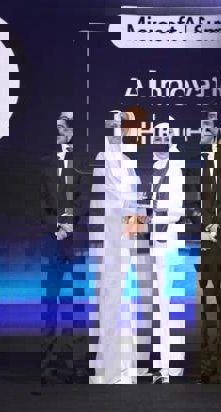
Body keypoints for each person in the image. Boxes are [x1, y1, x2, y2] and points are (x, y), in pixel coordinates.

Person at [89, 111, 142, 384]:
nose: (121, 132)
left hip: (124, 242)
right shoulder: (105, 159)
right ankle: (108, 369)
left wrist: (137, 223)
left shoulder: (127, 163)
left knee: (123, 300)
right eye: (116, 126)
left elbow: (135, 203)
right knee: (110, 299)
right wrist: (131, 216)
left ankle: (123, 367)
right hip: (110, 242)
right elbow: (109, 201)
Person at [40, 112, 87, 383]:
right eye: (57, 127)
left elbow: (85, 198)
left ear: (72, 131)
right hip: (52, 240)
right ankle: (48, 365)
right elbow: (40, 201)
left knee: (75, 302)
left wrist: (68, 223)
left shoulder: (83, 163)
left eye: (65, 127)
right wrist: (55, 226)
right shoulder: (45, 163)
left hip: (76, 240)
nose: (61, 131)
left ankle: (76, 364)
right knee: (50, 302)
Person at [195, 118, 221, 384]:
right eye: (201, 130)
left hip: (219, 243)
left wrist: (215, 225)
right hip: (202, 244)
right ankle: (206, 365)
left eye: (207, 130)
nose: (203, 133)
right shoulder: (196, 167)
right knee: (205, 306)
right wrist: (201, 225)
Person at [147, 122, 187, 382]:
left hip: (168, 244)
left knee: (168, 306)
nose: (160, 141)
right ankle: (162, 363)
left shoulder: (175, 168)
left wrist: (154, 217)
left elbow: (178, 209)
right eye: (157, 136)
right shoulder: (155, 168)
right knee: (159, 306)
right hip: (155, 244)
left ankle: (170, 365)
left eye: (164, 137)